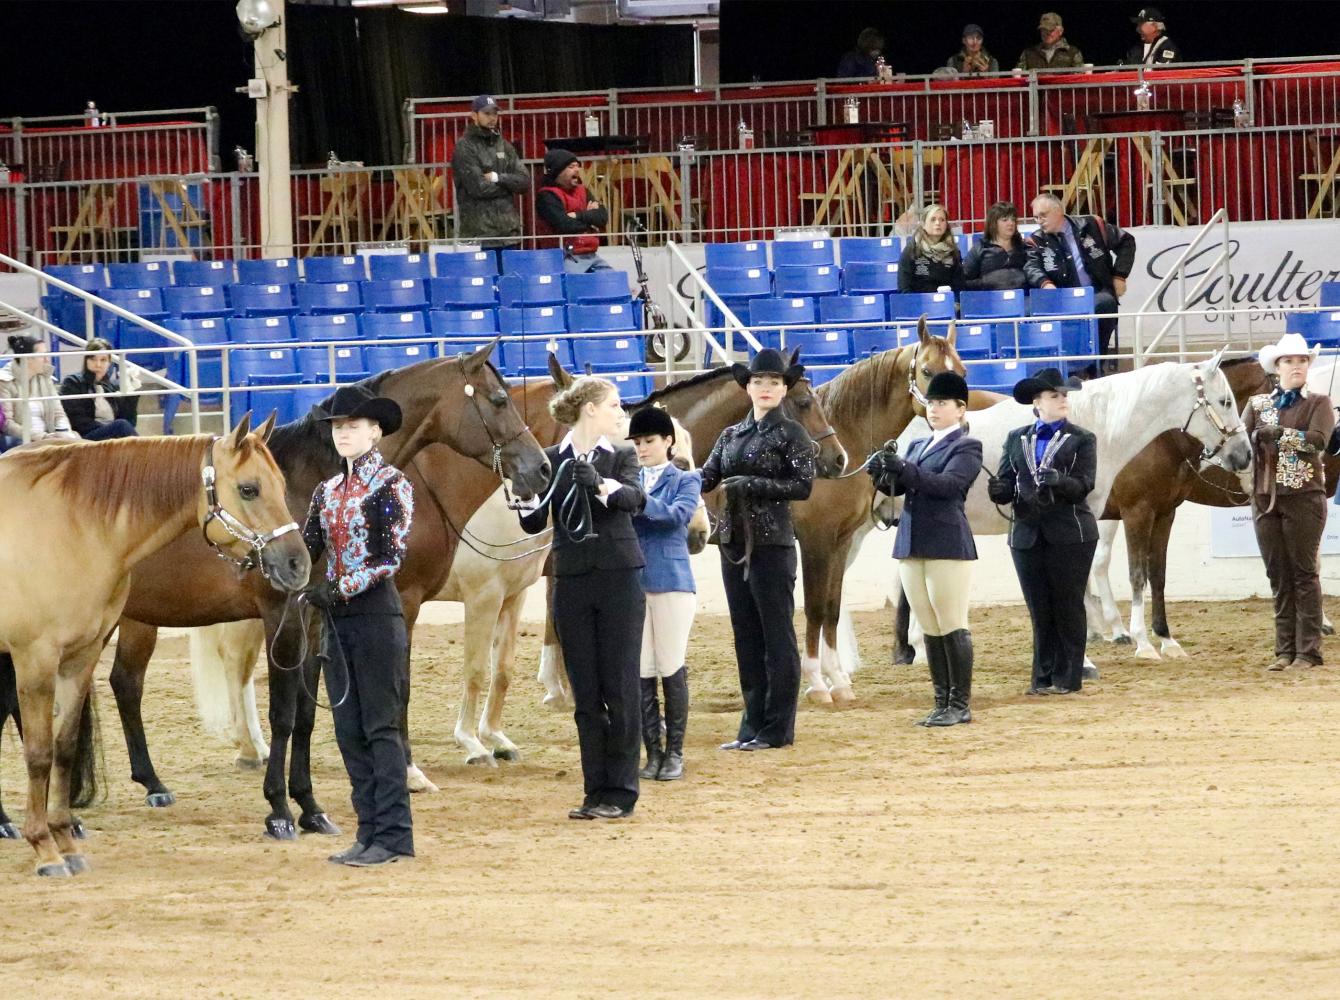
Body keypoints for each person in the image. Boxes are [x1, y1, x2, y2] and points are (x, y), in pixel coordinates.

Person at [518, 376, 646, 819]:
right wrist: (524, 499)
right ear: (590, 409)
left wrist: (601, 485)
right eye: (613, 405)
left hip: (619, 578)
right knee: (586, 693)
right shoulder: (550, 460)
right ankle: (595, 791)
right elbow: (534, 525)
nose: (619, 413)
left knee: (621, 686)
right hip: (572, 580)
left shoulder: (623, 456)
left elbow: (634, 500)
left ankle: (622, 792)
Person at [300, 384, 416, 867]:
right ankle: (368, 830)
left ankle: (393, 834)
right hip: (337, 619)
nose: (343, 433)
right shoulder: (325, 491)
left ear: (374, 431)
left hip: (374, 614)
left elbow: (391, 557)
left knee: (381, 727)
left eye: (352, 426)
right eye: (337, 427)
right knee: (349, 730)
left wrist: (341, 586)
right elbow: (306, 547)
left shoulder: (392, 484)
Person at [702, 349, 815, 751]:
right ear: (747, 388)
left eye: (773, 382)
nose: (766, 388)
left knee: (776, 636)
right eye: (758, 382)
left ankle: (777, 727)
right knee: (746, 637)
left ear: (784, 389)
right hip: (733, 544)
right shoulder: (729, 435)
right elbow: (707, 476)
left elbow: (803, 486)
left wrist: (752, 485)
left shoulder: (792, 434)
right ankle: (751, 724)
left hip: (772, 543)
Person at [868, 371, 983, 726]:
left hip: (947, 541)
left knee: (950, 622)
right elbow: (902, 488)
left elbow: (949, 485)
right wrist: (883, 474)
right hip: (912, 540)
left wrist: (904, 469)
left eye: (942, 403)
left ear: (960, 409)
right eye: (931, 403)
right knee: (929, 626)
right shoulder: (918, 445)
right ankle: (941, 701)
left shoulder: (967, 447)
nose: (934, 409)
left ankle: (959, 704)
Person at [986, 368, 1098, 696]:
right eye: (1055, 396)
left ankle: (1068, 677)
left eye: (1064, 395)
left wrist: (1060, 482)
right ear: (1038, 403)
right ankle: (1042, 677)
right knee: (1039, 608)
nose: (1063, 400)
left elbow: (1085, 485)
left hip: (1071, 533)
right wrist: (999, 490)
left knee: (1068, 604)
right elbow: (1008, 483)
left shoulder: (1082, 439)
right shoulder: (1016, 438)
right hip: (1026, 533)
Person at [1243, 334, 1335, 670]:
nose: (1296, 366)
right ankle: (1284, 650)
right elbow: (1242, 445)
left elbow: (1317, 442)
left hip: (1305, 496)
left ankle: (1308, 650)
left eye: (1301, 361)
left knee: (1303, 572)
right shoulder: (1257, 405)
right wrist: (1253, 438)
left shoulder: (1319, 403)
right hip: (1265, 497)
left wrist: (1281, 435)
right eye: (1289, 361)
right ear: (1277, 367)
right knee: (1277, 574)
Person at [627, 407, 700, 782]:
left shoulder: (686, 480)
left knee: (670, 664)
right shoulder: (628, 478)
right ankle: (653, 752)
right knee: (642, 669)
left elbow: (675, 517)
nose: (641, 448)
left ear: (668, 441)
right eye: (637, 443)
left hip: (671, 581)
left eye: (649, 441)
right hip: (636, 583)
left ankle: (675, 752)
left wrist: (636, 501)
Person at [1024, 193, 1136, 373]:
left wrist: (1120, 275)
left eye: (1043, 215)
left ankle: (1095, 366)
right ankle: (1071, 370)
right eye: (1036, 217)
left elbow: (1126, 242)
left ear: (1058, 211)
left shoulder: (1092, 225)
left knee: (1105, 304)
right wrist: (1045, 283)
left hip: (1096, 293)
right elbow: (1031, 267)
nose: (1039, 221)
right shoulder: (1035, 241)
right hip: (1062, 299)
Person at [451, 95, 530, 261]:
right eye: (487, 113)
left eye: (495, 113)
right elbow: (478, 188)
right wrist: (510, 185)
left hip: (509, 233)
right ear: (474, 115)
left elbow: (525, 182)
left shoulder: (504, 145)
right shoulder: (464, 147)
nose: (492, 118)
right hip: (480, 236)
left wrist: (496, 177)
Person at [535, 149, 612, 274]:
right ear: (557, 172)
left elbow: (602, 217)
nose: (577, 170)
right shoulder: (547, 196)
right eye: (571, 167)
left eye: (578, 166)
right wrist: (591, 224)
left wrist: (577, 215)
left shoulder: (583, 190)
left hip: (591, 254)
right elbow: (564, 225)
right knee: (574, 285)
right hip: (565, 256)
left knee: (615, 283)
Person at [0, 334, 78, 443]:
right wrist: (41, 437)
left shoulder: (46, 378)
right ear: (27, 359)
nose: (47, 360)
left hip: (51, 437)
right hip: (24, 440)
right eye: (42, 355)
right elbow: (7, 424)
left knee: (77, 441)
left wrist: (64, 432)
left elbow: (59, 414)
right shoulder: (4, 381)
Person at [59, 337, 140, 441]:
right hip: (85, 437)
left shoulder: (111, 387)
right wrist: (112, 431)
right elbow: (78, 422)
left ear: (109, 363)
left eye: (103, 360)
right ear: (86, 360)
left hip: (113, 435)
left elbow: (131, 423)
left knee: (122, 426)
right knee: (121, 426)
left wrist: (130, 396)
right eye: (93, 359)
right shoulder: (73, 383)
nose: (98, 365)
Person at [962, 201, 1028, 291]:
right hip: (987, 301)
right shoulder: (980, 249)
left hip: (1021, 300)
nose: (1011, 223)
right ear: (993, 223)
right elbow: (964, 282)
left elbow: (1034, 275)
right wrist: (987, 282)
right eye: (1005, 220)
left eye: (1013, 219)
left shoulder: (1024, 248)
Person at [899, 203, 963, 293]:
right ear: (923, 224)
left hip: (946, 304)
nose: (938, 223)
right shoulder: (911, 250)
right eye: (933, 219)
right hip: (918, 303)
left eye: (942, 220)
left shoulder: (953, 252)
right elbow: (904, 288)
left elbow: (959, 286)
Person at [1016, 12, 1085, 71]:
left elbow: (1079, 79)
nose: (1047, 33)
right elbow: (1018, 79)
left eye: (1051, 30)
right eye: (1043, 30)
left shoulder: (1072, 53)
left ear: (1060, 31)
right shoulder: (1028, 53)